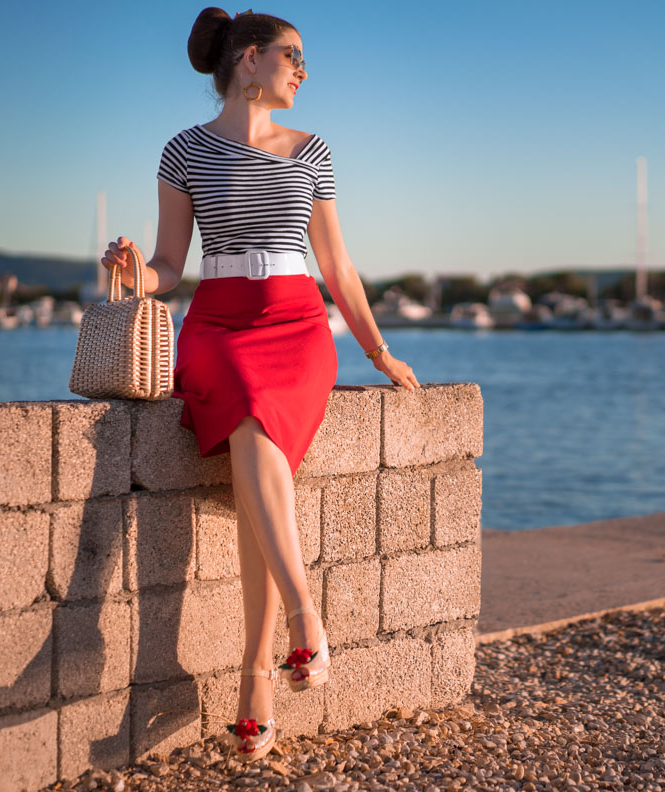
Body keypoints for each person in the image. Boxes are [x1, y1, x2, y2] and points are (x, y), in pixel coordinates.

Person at [100, 6, 420, 763]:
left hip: (296, 325)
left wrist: (377, 352)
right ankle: (299, 627)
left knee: (257, 450)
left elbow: (338, 268)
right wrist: (131, 271)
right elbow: (170, 267)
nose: (303, 72)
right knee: (251, 428)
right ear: (248, 60)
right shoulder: (183, 151)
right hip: (217, 327)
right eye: (292, 56)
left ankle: (258, 675)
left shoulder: (313, 152)